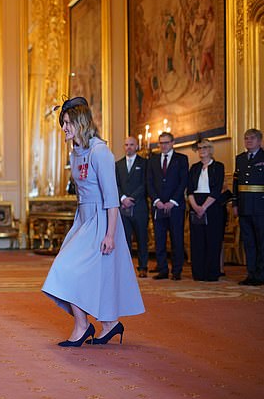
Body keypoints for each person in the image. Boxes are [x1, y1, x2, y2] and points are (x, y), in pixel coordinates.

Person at [42, 97, 145, 347]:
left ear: (81, 122)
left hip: (102, 220)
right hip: (83, 218)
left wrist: (110, 235)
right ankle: (108, 324)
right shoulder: (76, 152)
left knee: (65, 269)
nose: (64, 128)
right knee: (83, 274)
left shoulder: (100, 152)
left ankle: (83, 325)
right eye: (63, 123)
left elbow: (111, 198)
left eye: (67, 123)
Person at [147, 132, 189, 280]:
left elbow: (183, 181)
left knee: (177, 238)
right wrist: (157, 200)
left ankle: (176, 271)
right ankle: (163, 269)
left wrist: (172, 201)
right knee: (159, 239)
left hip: (175, 205)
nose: (163, 145)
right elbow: (149, 183)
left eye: (166, 142)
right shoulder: (152, 160)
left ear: (172, 143)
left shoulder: (182, 159)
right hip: (158, 205)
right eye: (161, 143)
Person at [187, 139, 225, 281]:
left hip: (212, 205)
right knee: (197, 241)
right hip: (195, 203)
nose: (201, 150)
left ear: (210, 149)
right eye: (199, 148)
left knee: (212, 240)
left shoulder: (218, 166)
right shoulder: (194, 167)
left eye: (204, 147)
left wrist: (203, 207)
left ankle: (212, 273)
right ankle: (199, 273)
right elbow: (189, 189)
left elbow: (216, 190)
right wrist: (196, 206)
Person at [233, 129, 264, 286]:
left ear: (259, 141)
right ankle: (251, 273)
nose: (248, 141)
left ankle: (261, 274)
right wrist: (235, 203)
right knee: (249, 242)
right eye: (246, 138)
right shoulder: (240, 159)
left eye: (252, 138)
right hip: (244, 206)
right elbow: (235, 184)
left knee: (262, 242)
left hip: (261, 206)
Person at [115, 136, 149, 277]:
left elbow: (146, 183)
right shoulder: (118, 164)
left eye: (131, 145)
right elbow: (115, 184)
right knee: (125, 239)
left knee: (142, 238)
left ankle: (142, 267)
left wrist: (132, 198)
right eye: (126, 144)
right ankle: (126, 268)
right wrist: (123, 198)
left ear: (136, 146)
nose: (128, 147)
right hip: (123, 208)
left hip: (139, 206)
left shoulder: (145, 163)